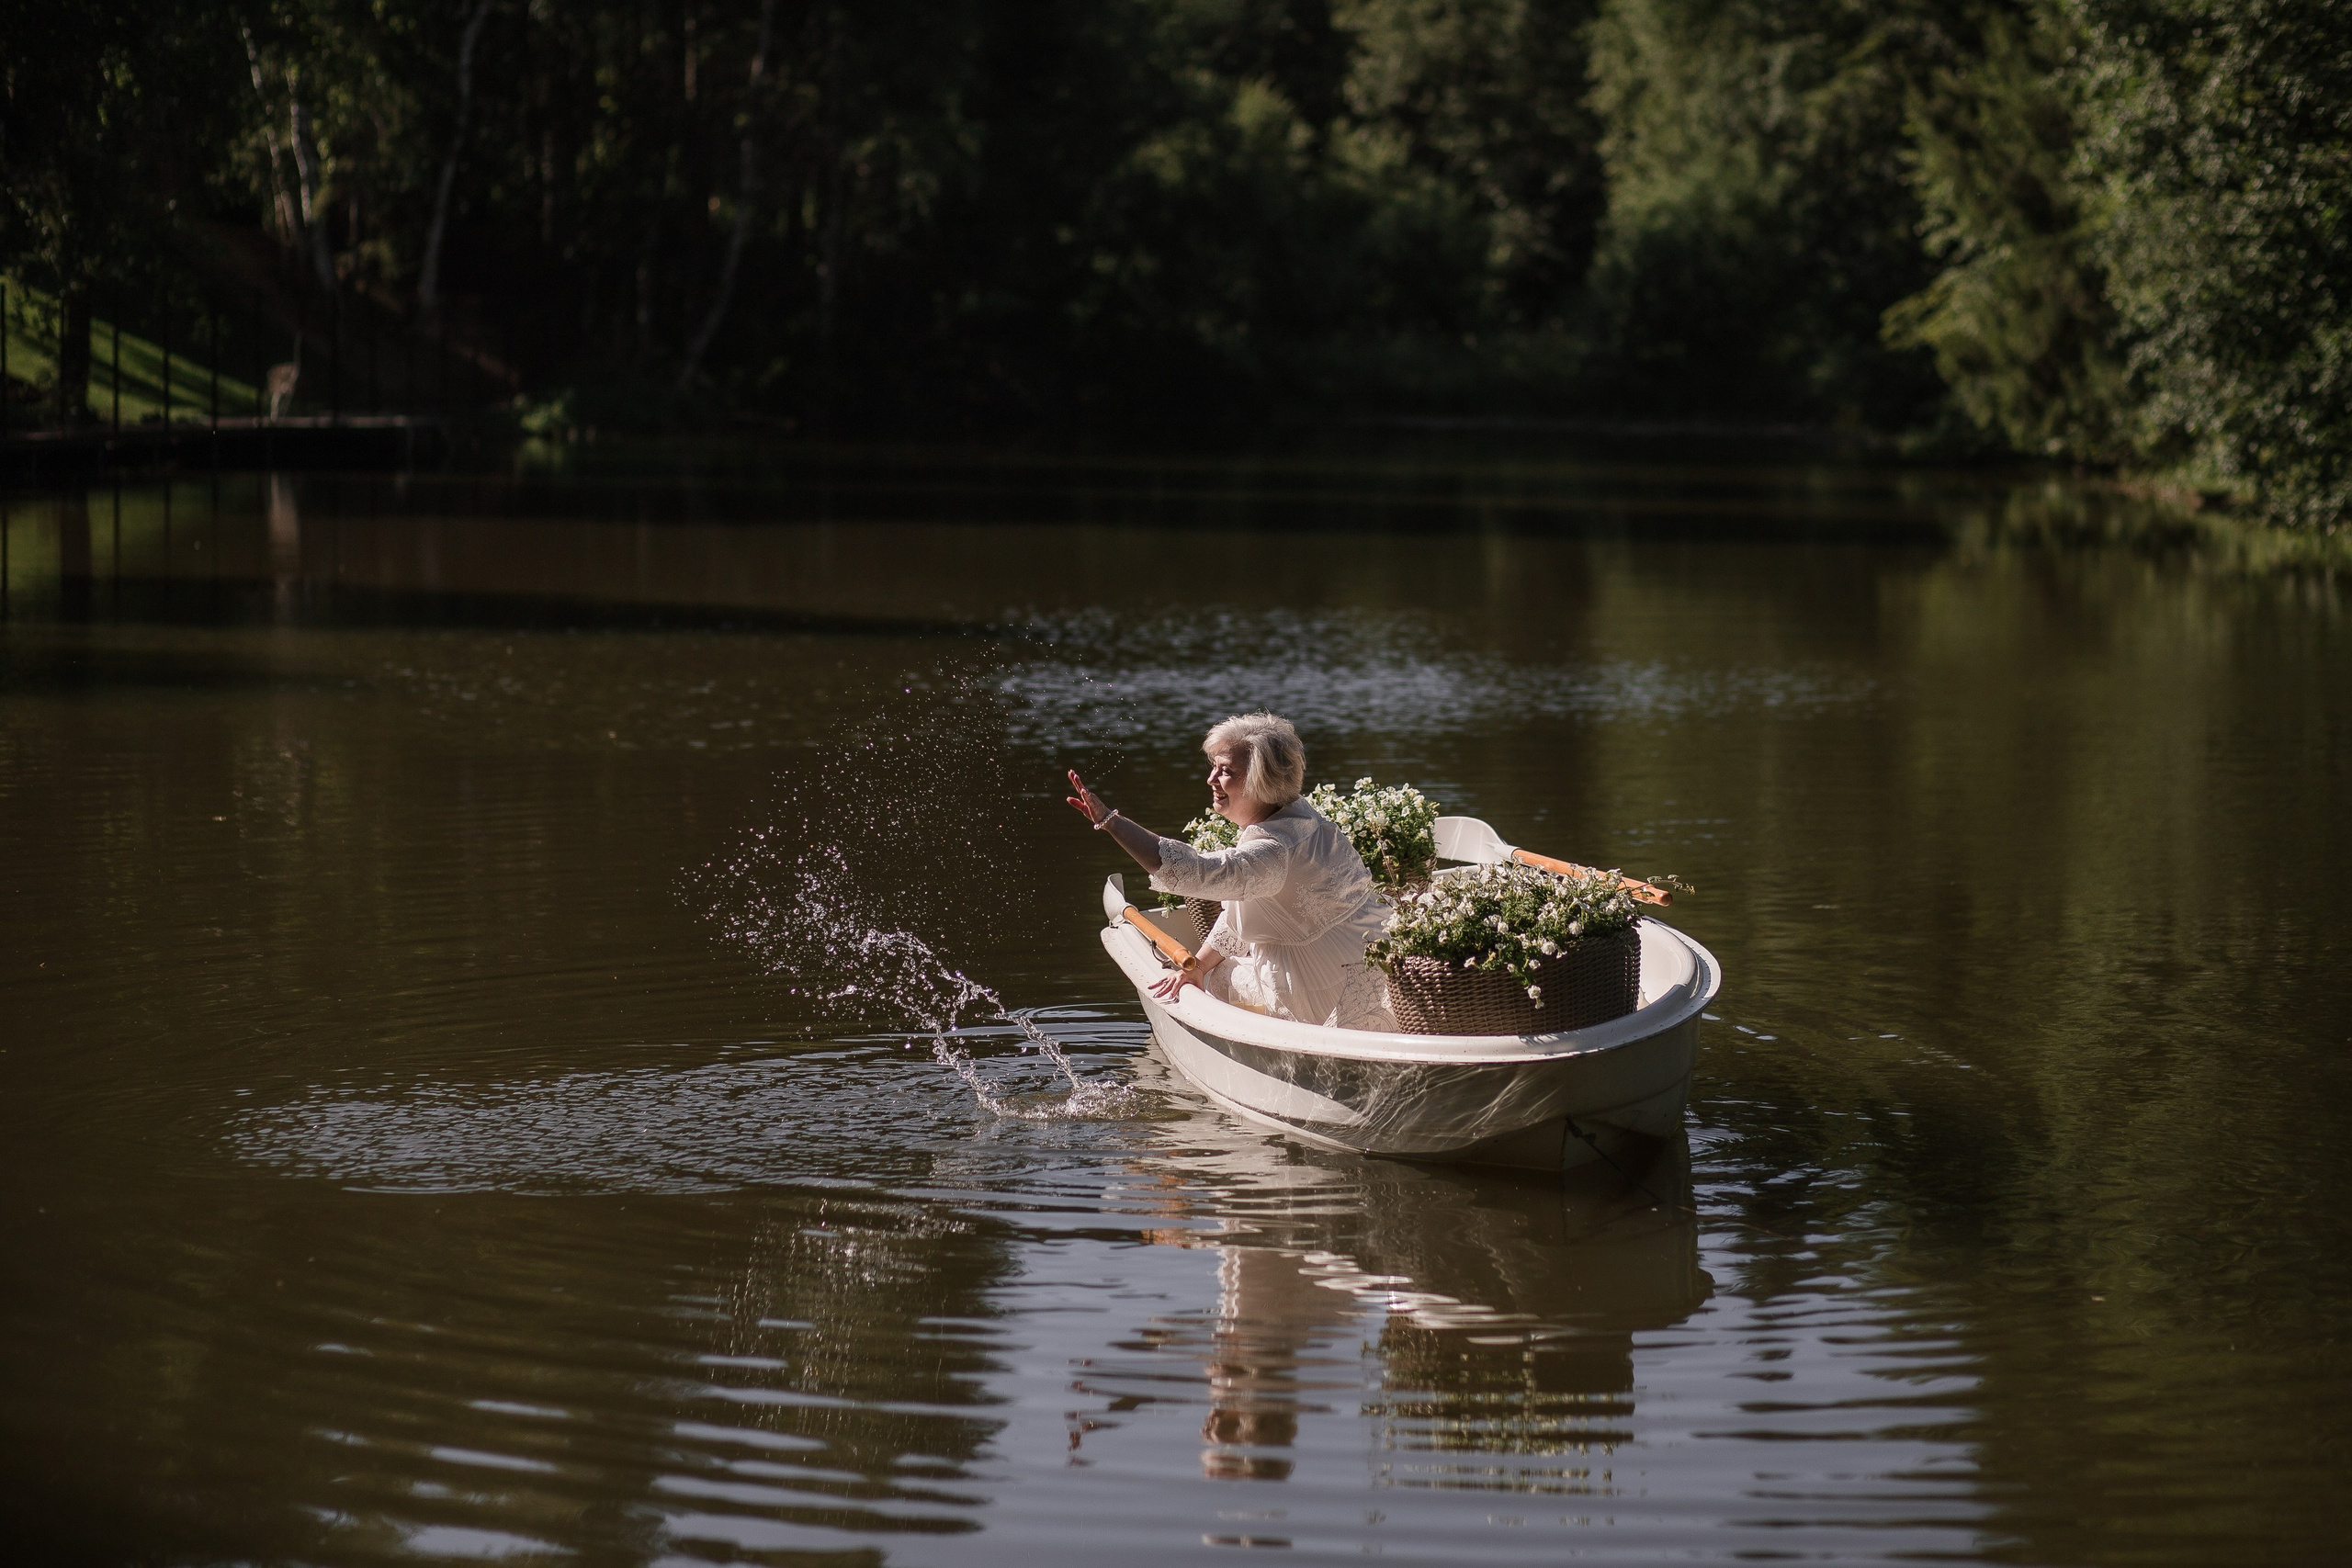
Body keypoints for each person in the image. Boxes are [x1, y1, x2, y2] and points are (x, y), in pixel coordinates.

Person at [1066, 712, 1397, 1031]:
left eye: (1225, 771)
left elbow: (1196, 872)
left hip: (1323, 991)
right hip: (1377, 974)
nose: (1211, 779)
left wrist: (1111, 822)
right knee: (1211, 972)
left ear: (1260, 781)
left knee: (1217, 981)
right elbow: (1251, 908)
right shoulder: (1302, 817)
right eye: (1214, 767)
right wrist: (1197, 966)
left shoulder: (1273, 850)